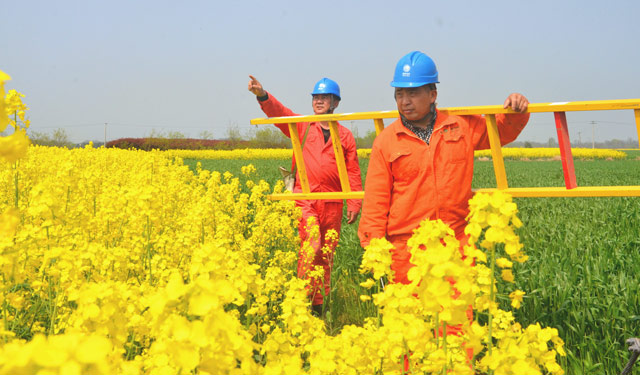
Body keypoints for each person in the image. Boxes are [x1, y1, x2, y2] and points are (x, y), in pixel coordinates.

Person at [358, 51, 530, 286]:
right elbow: (375, 202)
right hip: (407, 252)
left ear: (432, 94)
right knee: (409, 320)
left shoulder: (459, 126)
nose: (405, 101)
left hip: (455, 246)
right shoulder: (387, 141)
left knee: (456, 321)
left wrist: (516, 110)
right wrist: (374, 251)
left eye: (413, 93)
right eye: (399, 93)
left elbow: (501, 131)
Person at [248, 75, 363, 316]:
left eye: (324, 97)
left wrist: (354, 201)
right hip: (305, 197)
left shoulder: (345, 136)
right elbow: (280, 113)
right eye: (316, 97)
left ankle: (319, 307)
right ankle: (301, 299)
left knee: (326, 254)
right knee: (312, 246)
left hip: (333, 200)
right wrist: (263, 95)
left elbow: (352, 169)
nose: (319, 101)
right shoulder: (302, 126)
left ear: (335, 103)